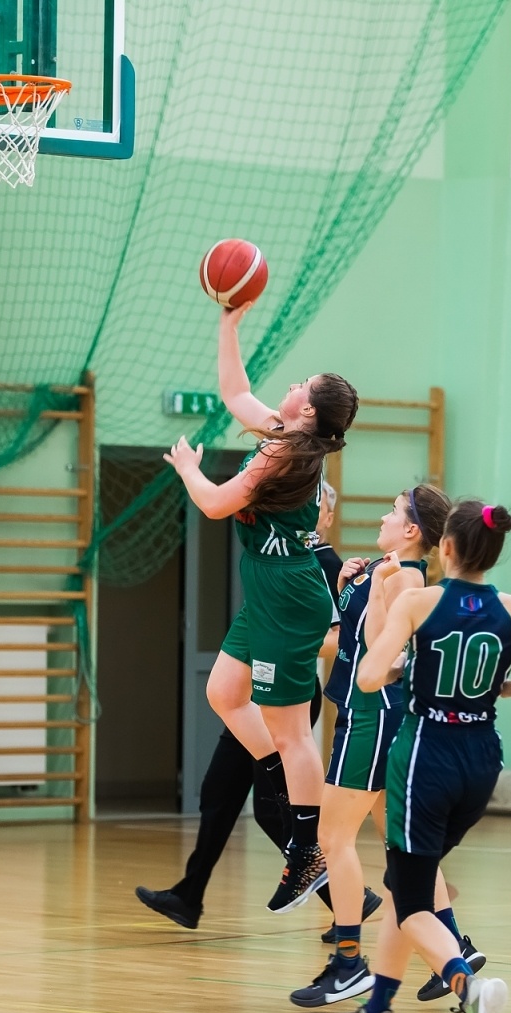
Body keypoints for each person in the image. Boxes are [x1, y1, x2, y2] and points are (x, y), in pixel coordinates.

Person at [331, 500, 511, 1013]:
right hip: (481, 759)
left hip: (426, 757)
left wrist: (393, 654)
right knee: (405, 883)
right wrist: (500, 689)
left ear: (446, 549)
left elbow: (367, 678)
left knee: (414, 901)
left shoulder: (418, 601)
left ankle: (469, 985)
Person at [164, 330, 357, 915]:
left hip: (290, 592)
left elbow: (217, 503)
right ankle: (283, 784)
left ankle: (309, 848)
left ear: (310, 409)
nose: (291, 385)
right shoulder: (283, 433)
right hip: (269, 586)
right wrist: (228, 320)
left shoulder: (284, 451)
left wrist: (188, 470)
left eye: (302, 384)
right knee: (223, 691)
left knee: (292, 730)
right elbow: (234, 390)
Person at [135, 482, 381, 931]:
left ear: (323, 516)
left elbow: (335, 639)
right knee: (218, 792)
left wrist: (283, 646)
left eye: (318, 504)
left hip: (285, 694)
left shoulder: (321, 564)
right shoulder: (275, 557)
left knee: (271, 808)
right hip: (251, 693)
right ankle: (190, 895)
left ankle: (342, 891)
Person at [290, 484, 487, 1008]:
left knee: (333, 838)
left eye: (392, 511)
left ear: (412, 531)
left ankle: (349, 962)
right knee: (401, 852)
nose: (382, 516)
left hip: (373, 718)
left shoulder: (402, 578)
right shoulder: (388, 572)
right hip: (369, 717)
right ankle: (453, 953)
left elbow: (381, 653)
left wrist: (373, 589)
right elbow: (344, 641)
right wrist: (347, 582)